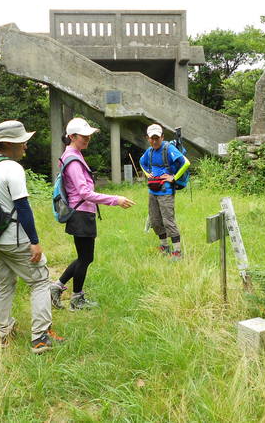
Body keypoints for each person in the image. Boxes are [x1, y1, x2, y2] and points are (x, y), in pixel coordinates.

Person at [0, 120, 64, 354]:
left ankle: (3, 333)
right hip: (14, 238)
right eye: (22, 143)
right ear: (9, 144)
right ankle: (40, 338)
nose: (26, 146)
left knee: (4, 283)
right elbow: (24, 208)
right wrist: (35, 242)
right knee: (40, 281)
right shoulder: (12, 168)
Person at [50, 117, 135, 311]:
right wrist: (116, 200)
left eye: (89, 136)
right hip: (80, 214)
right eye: (83, 136)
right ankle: (75, 299)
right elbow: (84, 193)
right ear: (72, 136)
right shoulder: (73, 160)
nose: (87, 139)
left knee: (85, 257)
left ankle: (57, 288)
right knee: (85, 257)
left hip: (82, 213)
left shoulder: (74, 154)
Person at [139, 123, 190, 260]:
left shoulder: (168, 149)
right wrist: (147, 173)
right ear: (148, 138)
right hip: (153, 191)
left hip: (166, 192)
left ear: (162, 137)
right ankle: (164, 246)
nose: (155, 141)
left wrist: (174, 177)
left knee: (168, 221)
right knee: (155, 220)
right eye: (152, 138)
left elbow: (186, 163)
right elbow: (141, 162)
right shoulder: (149, 152)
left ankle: (177, 252)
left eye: (157, 138)